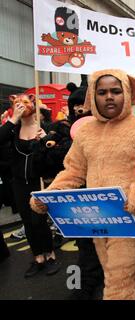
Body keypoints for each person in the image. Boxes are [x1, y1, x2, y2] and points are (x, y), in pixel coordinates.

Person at [31, 69, 135, 300]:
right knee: (123, 280)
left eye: (116, 91)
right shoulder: (85, 132)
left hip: (133, 220)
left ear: (127, 93)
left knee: (118, 284)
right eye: (102, 92)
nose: (109, 96)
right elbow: (73, 171)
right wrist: (49, 195)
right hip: (98, 221)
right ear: (93, 96)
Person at [0, 94, 60, 277]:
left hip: (38, 182)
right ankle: (38, 257)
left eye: (25, 102)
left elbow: (57, 158)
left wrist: (46, 141)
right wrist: (13, 119)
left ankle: (50, 255)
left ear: (33, 104)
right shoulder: (12, 129)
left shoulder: (45, 128)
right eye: (17, 103)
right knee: (28, 222)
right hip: (18, 182)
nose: (21, 105)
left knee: (39, 220)